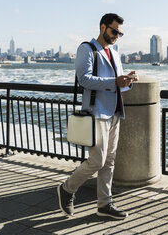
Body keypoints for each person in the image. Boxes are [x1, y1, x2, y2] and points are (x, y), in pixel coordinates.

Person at [58, 13, 138, 219]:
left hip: (114, 111)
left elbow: (118, 84)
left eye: (120, 33)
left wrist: (127, 81)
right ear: (103, 27)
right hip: (96, 112)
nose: (116, 36)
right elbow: (84, 80)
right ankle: (67, 188)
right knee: (97, 161)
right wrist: (115, 82)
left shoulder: (114, 52)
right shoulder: (87, 49)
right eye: (114, 31)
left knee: (109, 160)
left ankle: (104, 204)